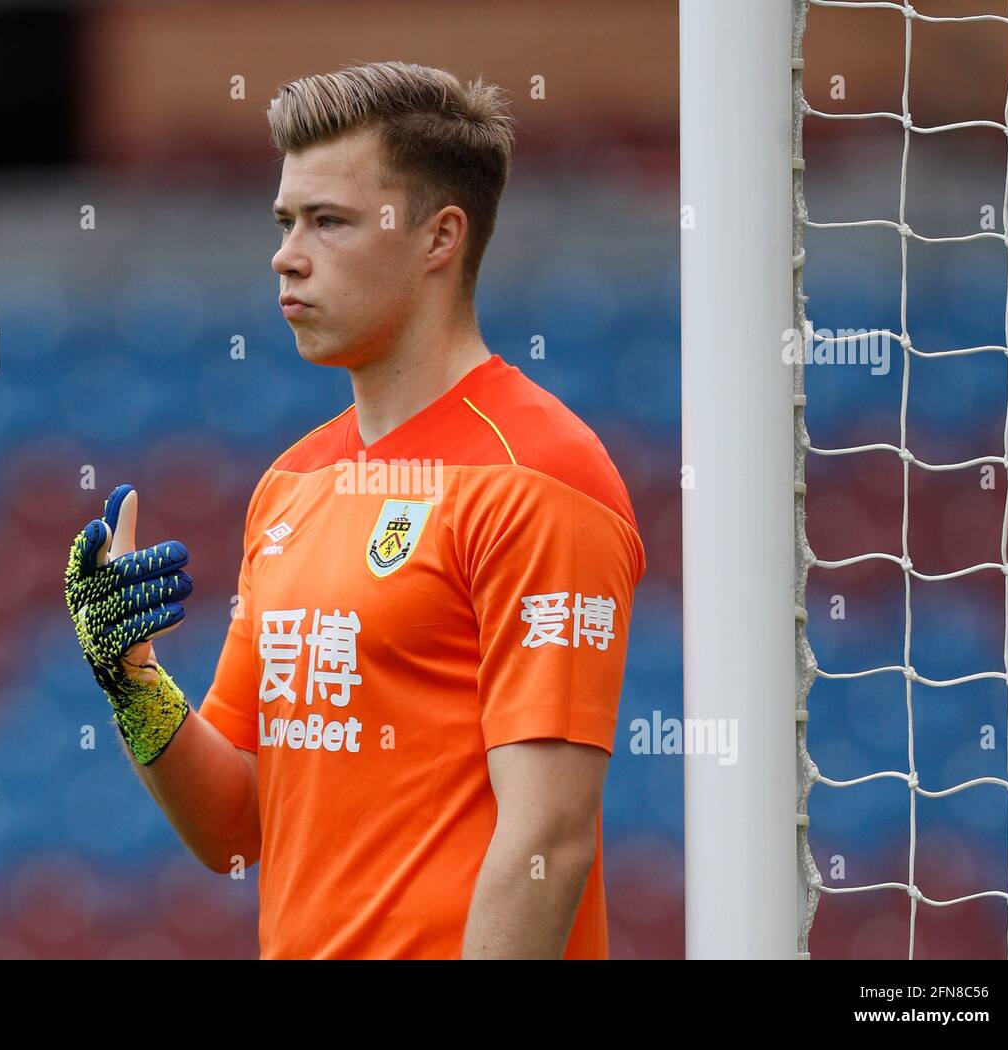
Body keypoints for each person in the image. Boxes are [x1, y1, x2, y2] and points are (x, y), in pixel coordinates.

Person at [64, 60, 645, 959]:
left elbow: (547, 843)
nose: (285, 254)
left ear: (439, 238)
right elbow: (233, 832)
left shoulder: (536, 472)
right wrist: (131, 679)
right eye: (284, 221)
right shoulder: (292, 483)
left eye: (328, 222)